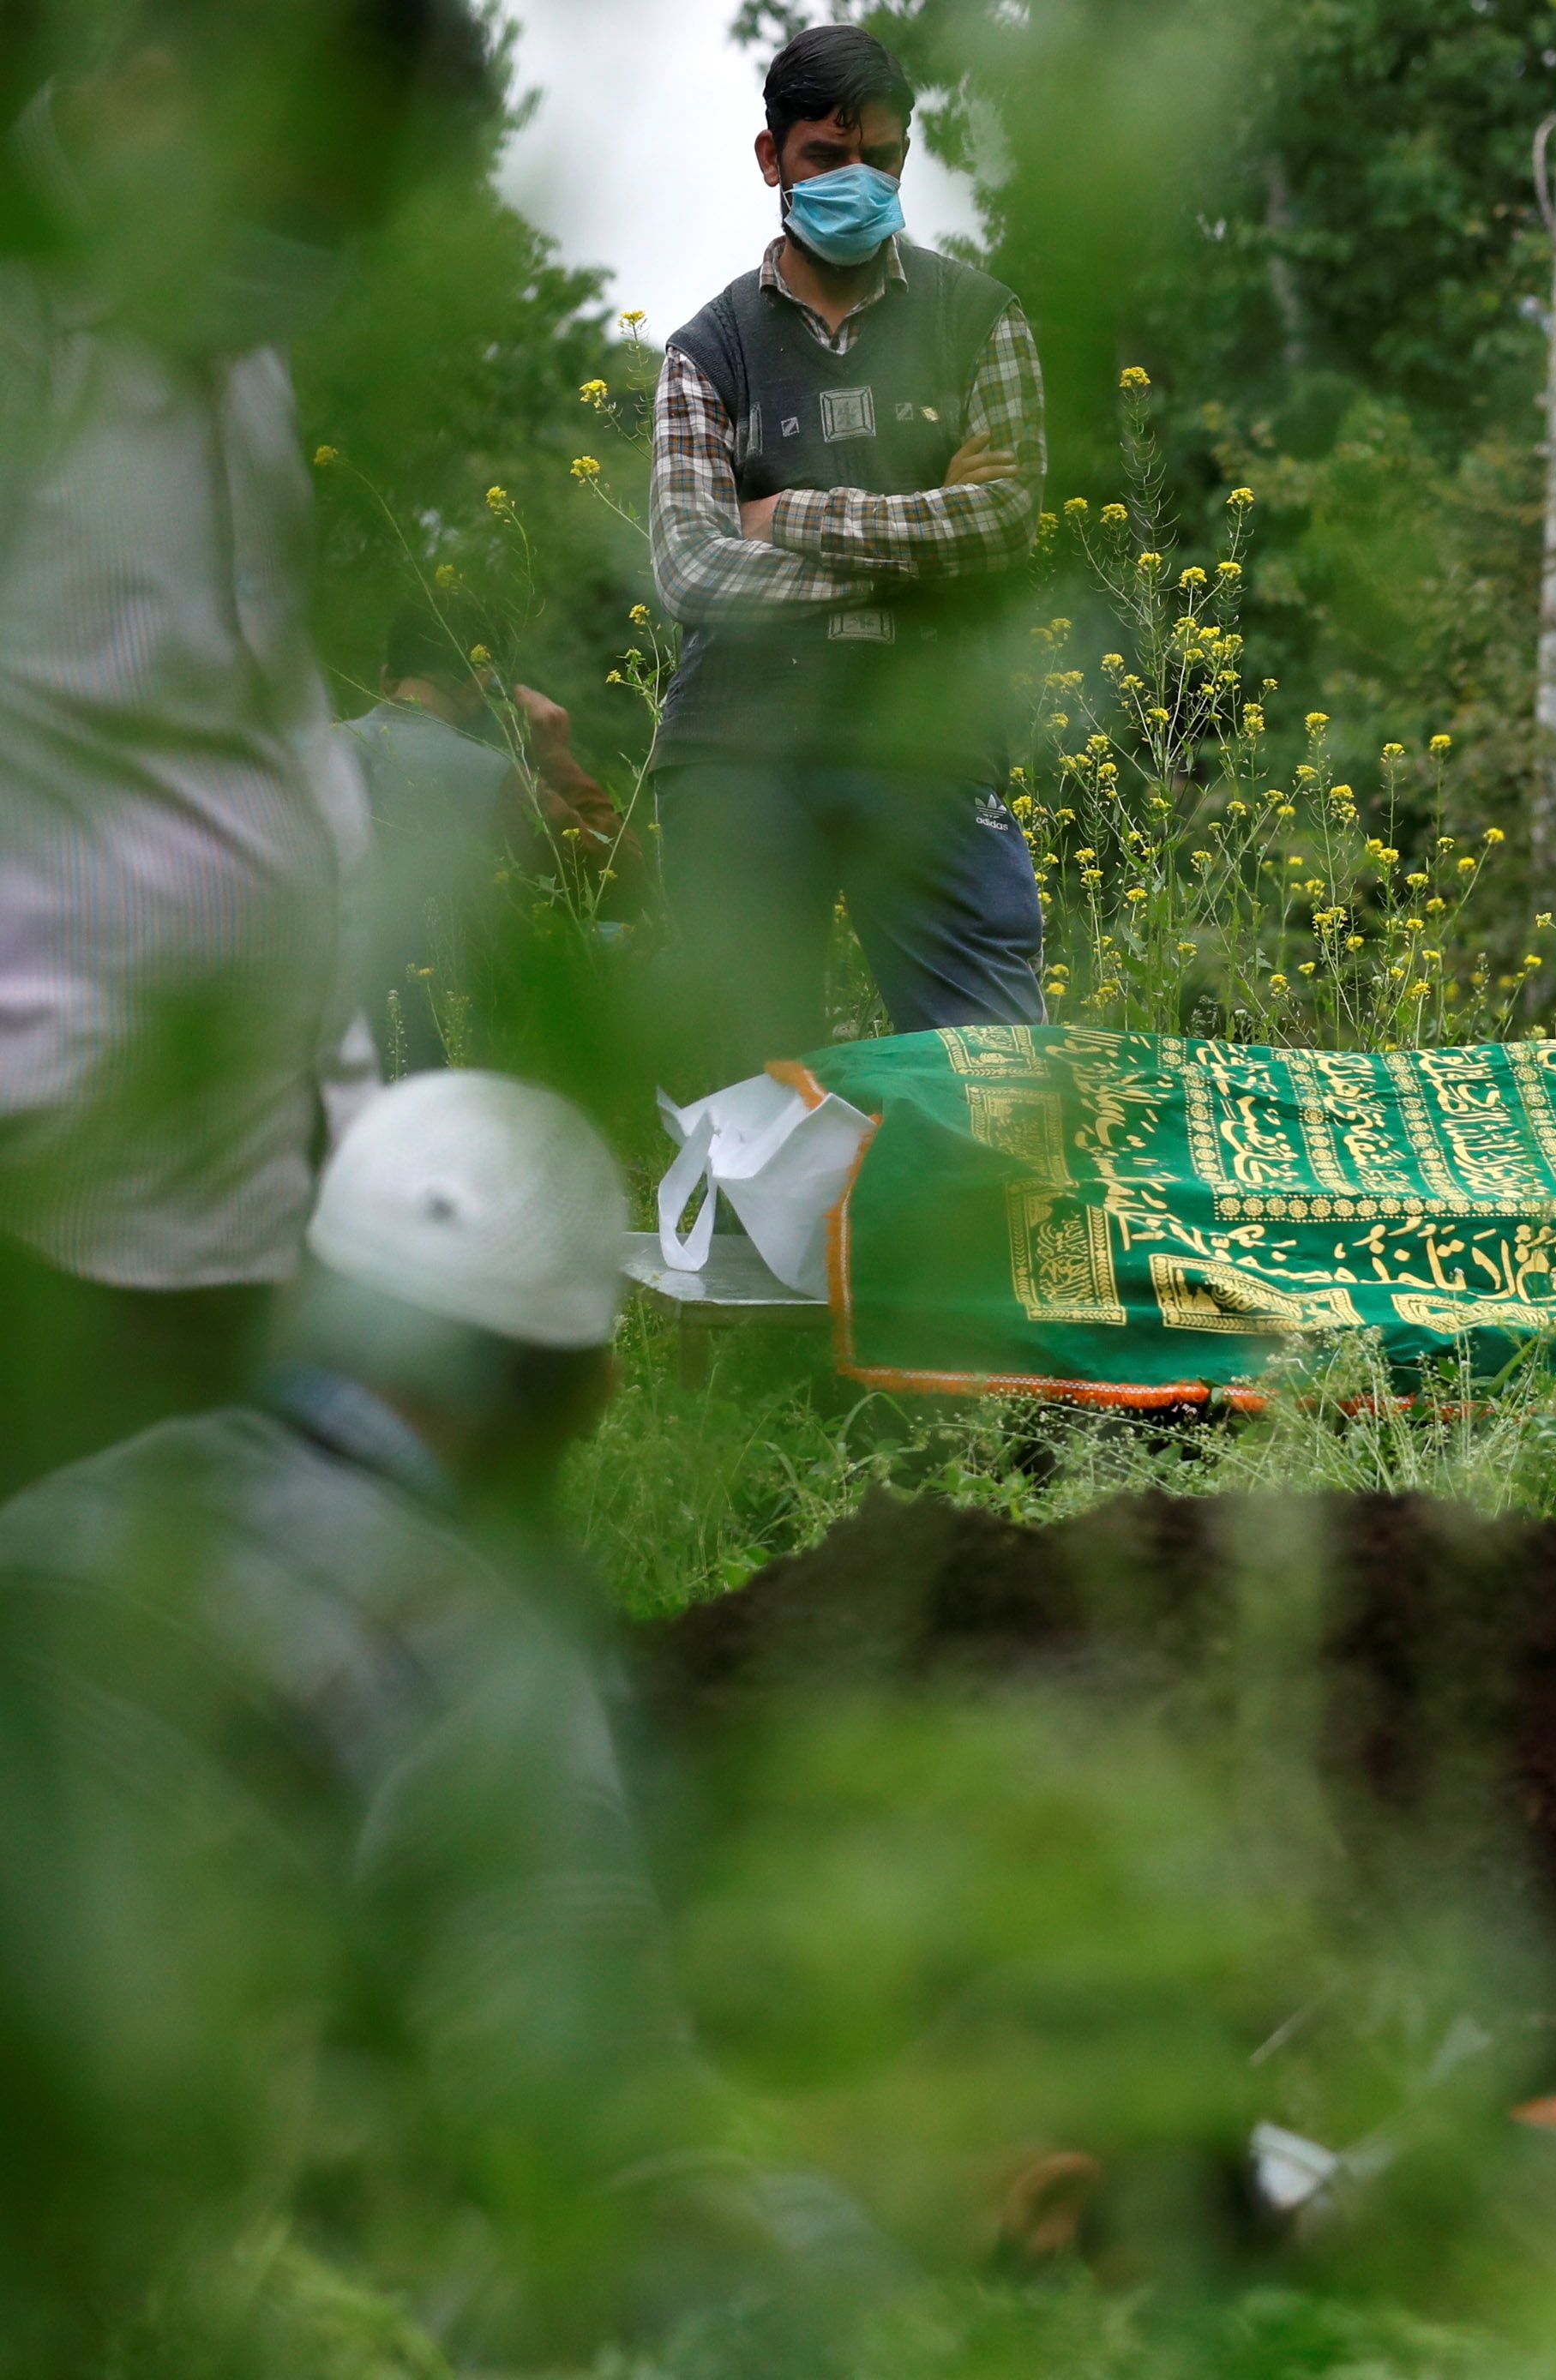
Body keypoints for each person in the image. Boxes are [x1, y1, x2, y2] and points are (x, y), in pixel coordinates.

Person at [0, 1070, 889, 2362]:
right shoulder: (483, 1681)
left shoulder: (58, 1525)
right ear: (589, 1397)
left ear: (301, 1303)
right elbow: (612, 2141)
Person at [0, 0, 496, 1500]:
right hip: (52, 1213)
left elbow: (273, 768)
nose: (316, 246)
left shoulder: (237, 368)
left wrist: (345, 1162)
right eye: (302, 195)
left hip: (232, 1211)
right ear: (158, 88)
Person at [646, 21, 1048, 1073]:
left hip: (926, 744)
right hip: (739, 749)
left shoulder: (982, 320)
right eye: (828, 157)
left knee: (994, 1075)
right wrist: (921, 530)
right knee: (744, 1085)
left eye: (884, 157)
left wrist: (788, 515)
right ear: (772, 158)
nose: (858, 180)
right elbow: (692, 568)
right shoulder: (706, 349)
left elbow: (1005, 524)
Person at [336, 615, 623, 1073]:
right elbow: (616, 880)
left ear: (386, 678)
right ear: (480, 687)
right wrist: (554, 757)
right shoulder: (495, 776)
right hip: (453, 1062)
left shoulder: (308, 759)